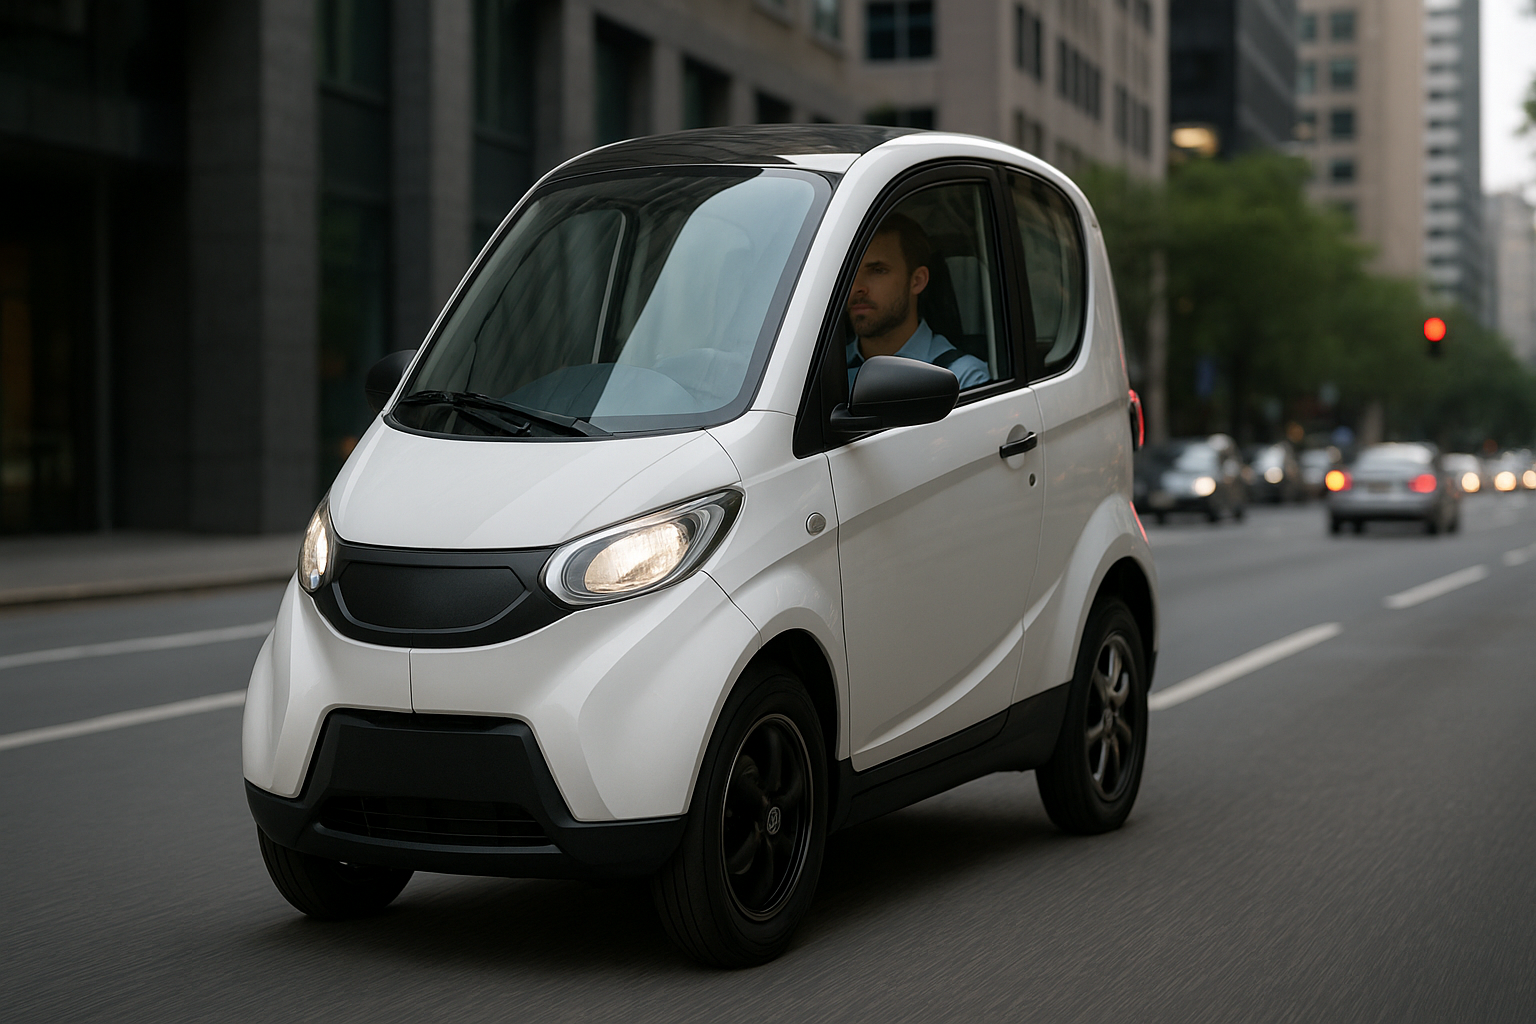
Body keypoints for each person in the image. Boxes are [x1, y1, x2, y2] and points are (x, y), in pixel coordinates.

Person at [845, 213, 991, 392]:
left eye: (877, 270)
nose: (856, 287)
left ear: (917, 281)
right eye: (850, 273)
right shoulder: (822, 371)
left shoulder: (962, 378)